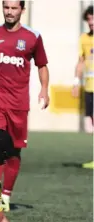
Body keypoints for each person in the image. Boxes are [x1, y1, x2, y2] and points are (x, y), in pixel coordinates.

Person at [0, 0, 49, 211]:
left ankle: (5, 196)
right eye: (6, 7)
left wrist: (44, 88)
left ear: (22, 10)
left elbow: (42, 65)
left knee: (13, 152)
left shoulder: (33, 37)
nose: (9, 12)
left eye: (14, 8)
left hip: (18, 105)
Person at [72, 5, 93, 170]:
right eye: (89, 19)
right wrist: (76, 83)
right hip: (88, 88)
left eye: (93, 18)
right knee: (89, 126)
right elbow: (80, 62)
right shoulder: (84, 38)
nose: (91, 22)